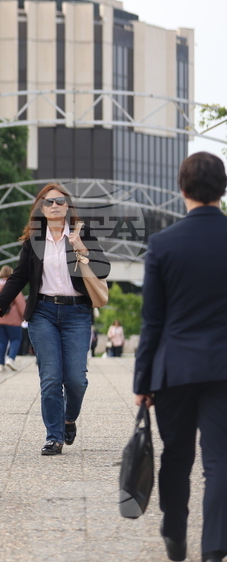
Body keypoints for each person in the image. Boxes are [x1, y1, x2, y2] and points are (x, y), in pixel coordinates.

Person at [134, 152, 227, 562]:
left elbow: (151, 320)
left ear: (181, 189)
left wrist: (142, 382)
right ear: (223, 189)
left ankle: (174, 530)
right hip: (225, 368)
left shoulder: (162, 244)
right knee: (220, 458)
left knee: (176, 453)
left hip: (175, 368)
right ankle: (215, 545)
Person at [0, 183, 110, 455]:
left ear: (68, 206)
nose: (55, 206)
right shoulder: (34, 240)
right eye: (48, 202)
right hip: (43, 312)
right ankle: (53, 435)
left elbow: (104, 270)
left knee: (76, 380)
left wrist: (81, 248)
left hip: (77, 313)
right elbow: (19, 277)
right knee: (50, 377)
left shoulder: (83, 234)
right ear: (41, 209)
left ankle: (69, 419)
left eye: (60, 201)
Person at [0, 265, 26, 371]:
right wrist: (25, 316)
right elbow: (20, 304)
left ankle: (0, 364)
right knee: (15, 339)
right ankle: (10, 359)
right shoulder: (13, 286)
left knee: (2, 341)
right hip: (12, 319)